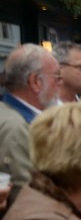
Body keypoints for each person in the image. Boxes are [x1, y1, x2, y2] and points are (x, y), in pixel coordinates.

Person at [0, 44, 60, 186]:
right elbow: (25, 193)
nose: (60, 83)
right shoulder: (17, 128)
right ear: (35, 82)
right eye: (57, 77)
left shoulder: (15, 118)